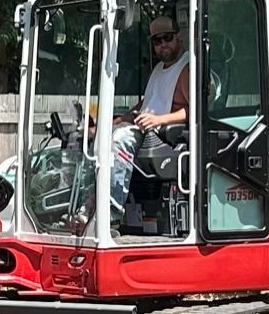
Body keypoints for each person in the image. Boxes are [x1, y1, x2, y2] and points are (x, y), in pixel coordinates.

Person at [72, 15, 189, 233]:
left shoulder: (186, 68)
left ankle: (110, 215)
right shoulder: (159, 69)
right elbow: (145, 104)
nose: (163, 44)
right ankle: (87, 207)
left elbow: (195, 109)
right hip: (145, 126)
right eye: (157, 40)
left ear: (179, 38)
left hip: (164, 135)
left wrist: (158, 119)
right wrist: (114, 122)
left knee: (119, 140)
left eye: (167, 38)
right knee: (95, 140)